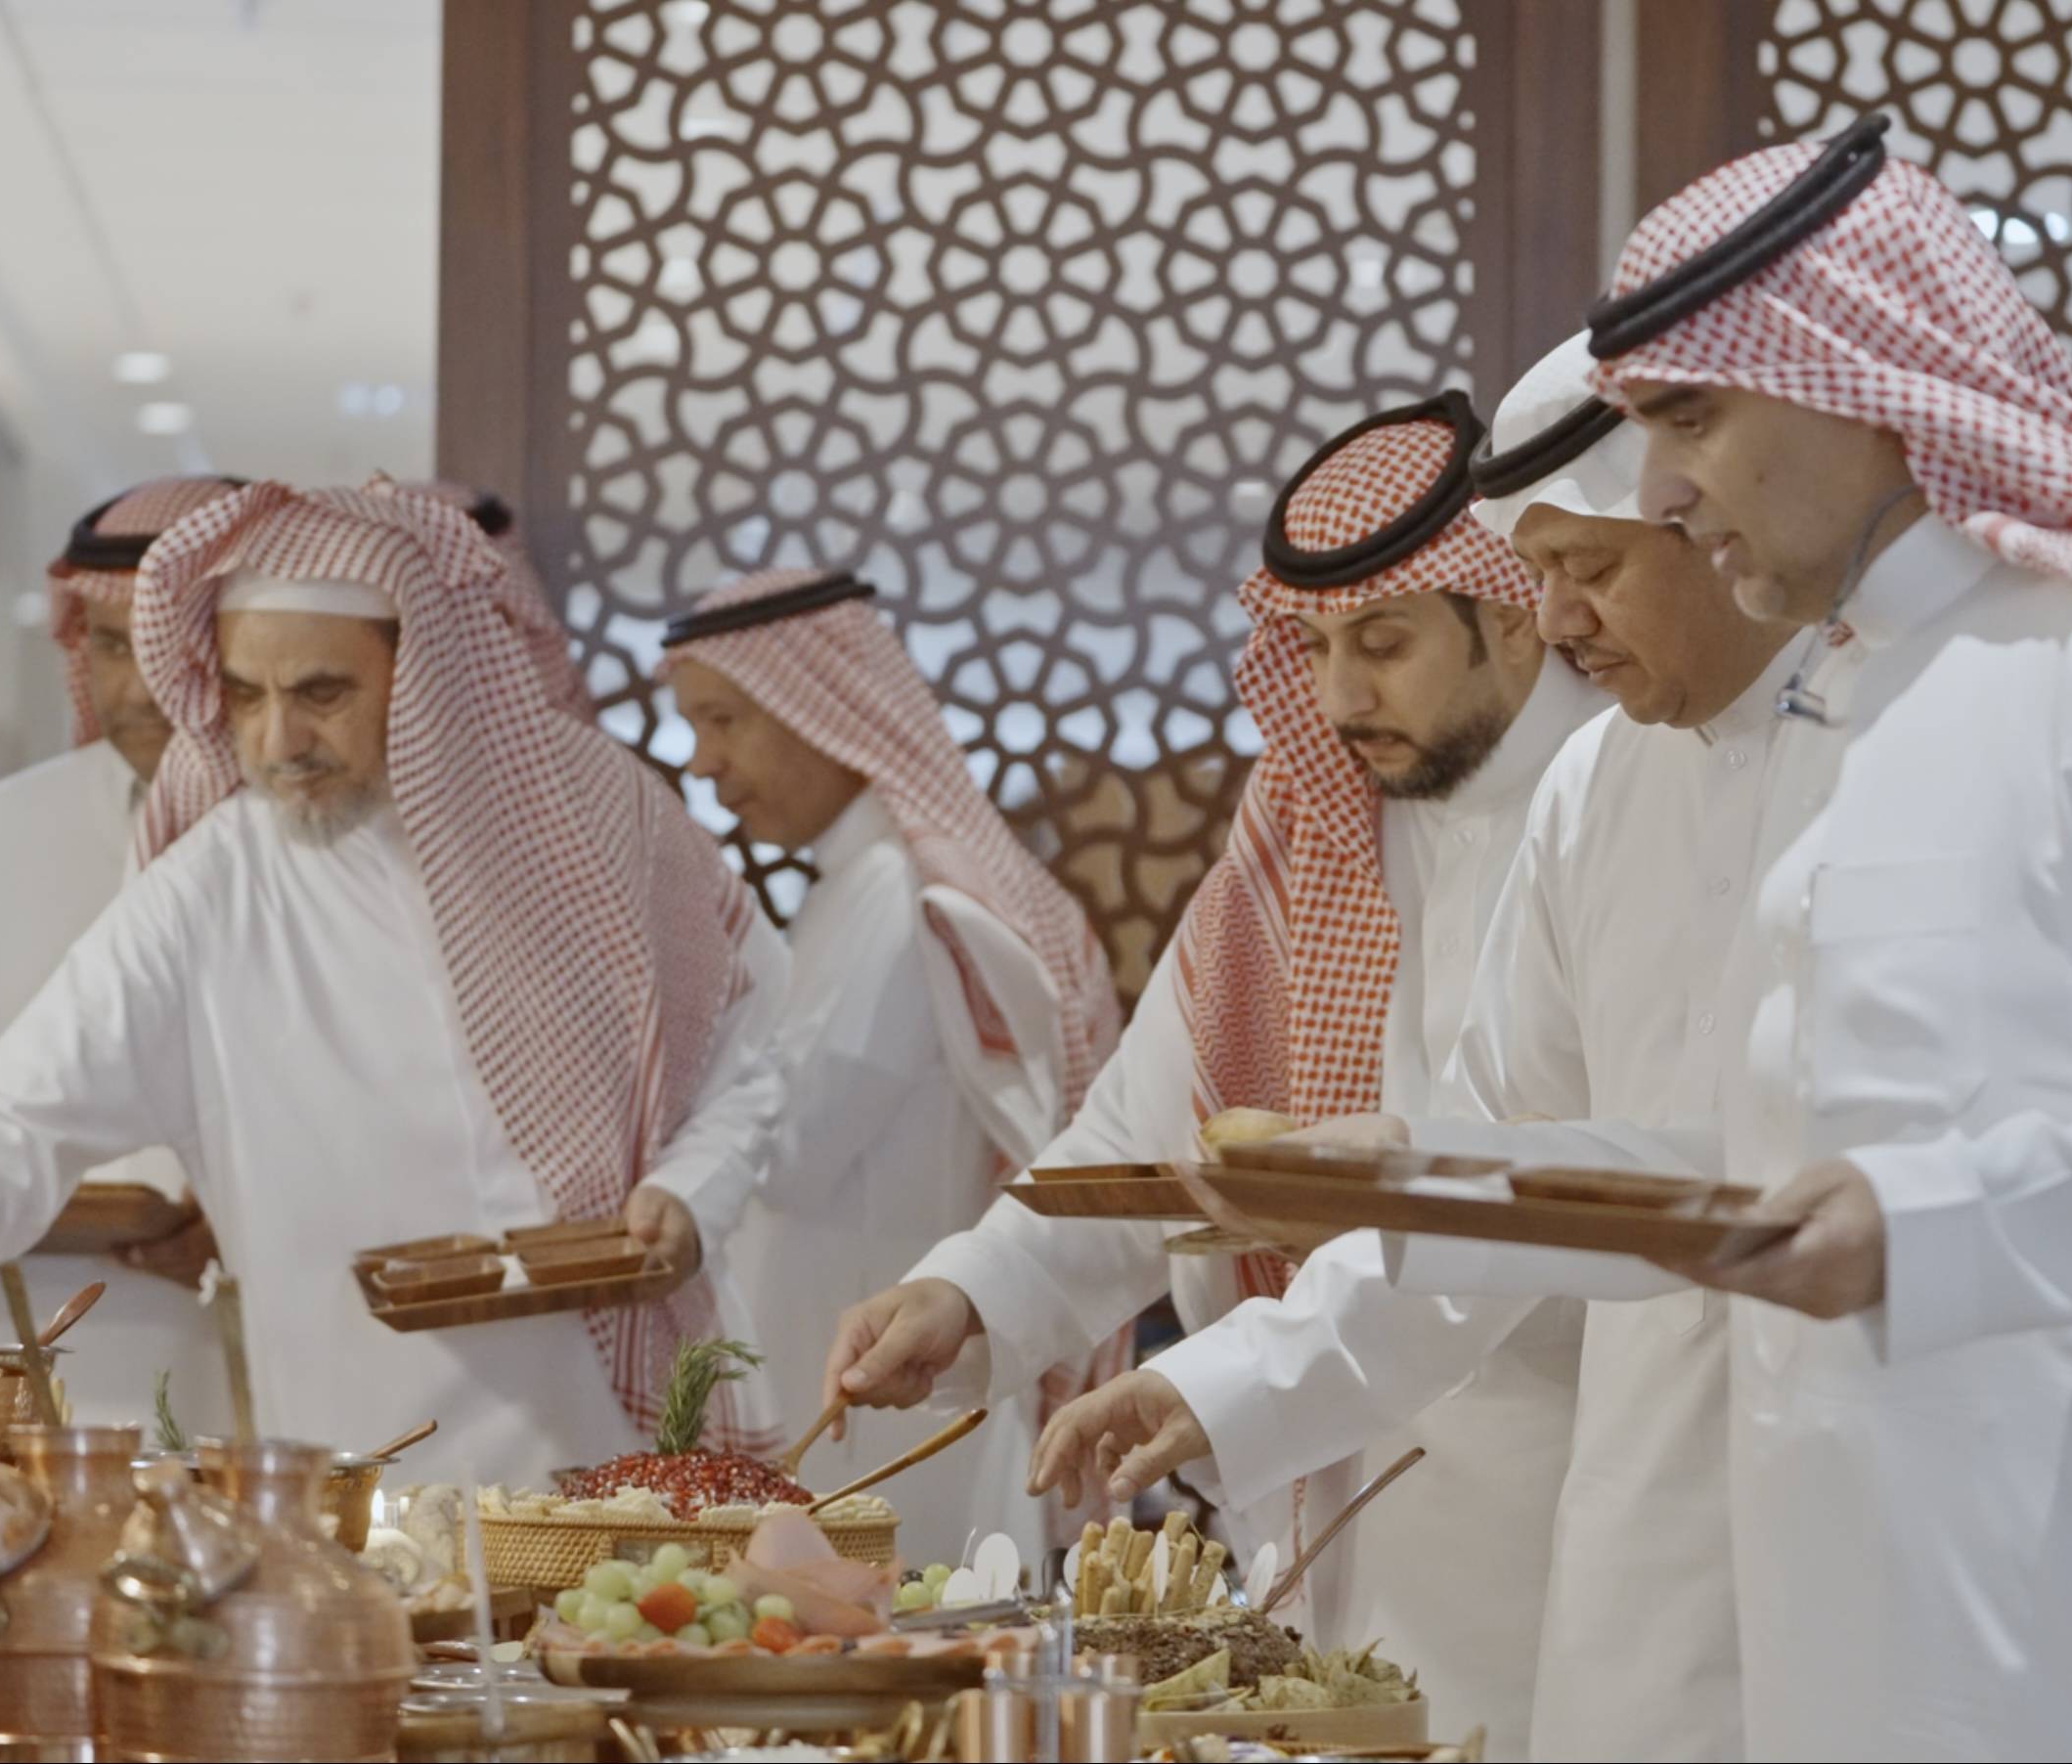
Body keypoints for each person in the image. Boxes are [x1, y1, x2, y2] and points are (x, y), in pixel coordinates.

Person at [1395, 119, 2072, 1757]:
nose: (1664, 489)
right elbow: (1770, 1162)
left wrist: (1930, 1231)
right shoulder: (1842, 701)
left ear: (1851, 374)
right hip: (1872, 1632)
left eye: (1690, 418)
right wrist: (1412, 1179)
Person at [1025, 335, 1803, 1758]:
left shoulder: (1880, 751)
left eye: (1587, 569)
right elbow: (1479, 1186)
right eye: (1538, 570)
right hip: (1616, 1515)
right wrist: (1221, 1379)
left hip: (1832, 1491)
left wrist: (1418, 1177)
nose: (1556, 617)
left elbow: (1822, 1179)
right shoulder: (1598, 791)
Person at [821, 394, 1606, 1671]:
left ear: (1512, 613)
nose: (1337, 695)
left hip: (1531, 1491)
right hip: (1299, 1469)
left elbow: (1539, 1203)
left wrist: (1239, 1378)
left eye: (1383, 642)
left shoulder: (1614, 799)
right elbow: (1143, 1132)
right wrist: (969, 1289)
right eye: (1311, 645)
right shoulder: (1309, 812)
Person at [0, 480, 792, 1481]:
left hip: (613, 1451)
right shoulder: (212, 888)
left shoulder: (594, 818)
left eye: (321, 694)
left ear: (423, 672)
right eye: (245, 696)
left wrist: (692, 1191)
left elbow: (751, 1035)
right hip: (360, 1469)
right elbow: (0, 1132)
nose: (276, 744)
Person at [657, 567, 1122, 1557]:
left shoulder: (892, 892)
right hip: (856, 1374)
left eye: (724, 719)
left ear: (816, 705)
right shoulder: (855, 882)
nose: (703, 761)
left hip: (885, 1397)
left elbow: (789, 1150)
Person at [0, 478, 242, 1430]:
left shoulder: (315, 858)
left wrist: (238, 1219)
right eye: (108, 646)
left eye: (163, 649)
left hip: (275, 1388)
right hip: (10, 1372)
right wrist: (30, 1205)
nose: (134, 689)